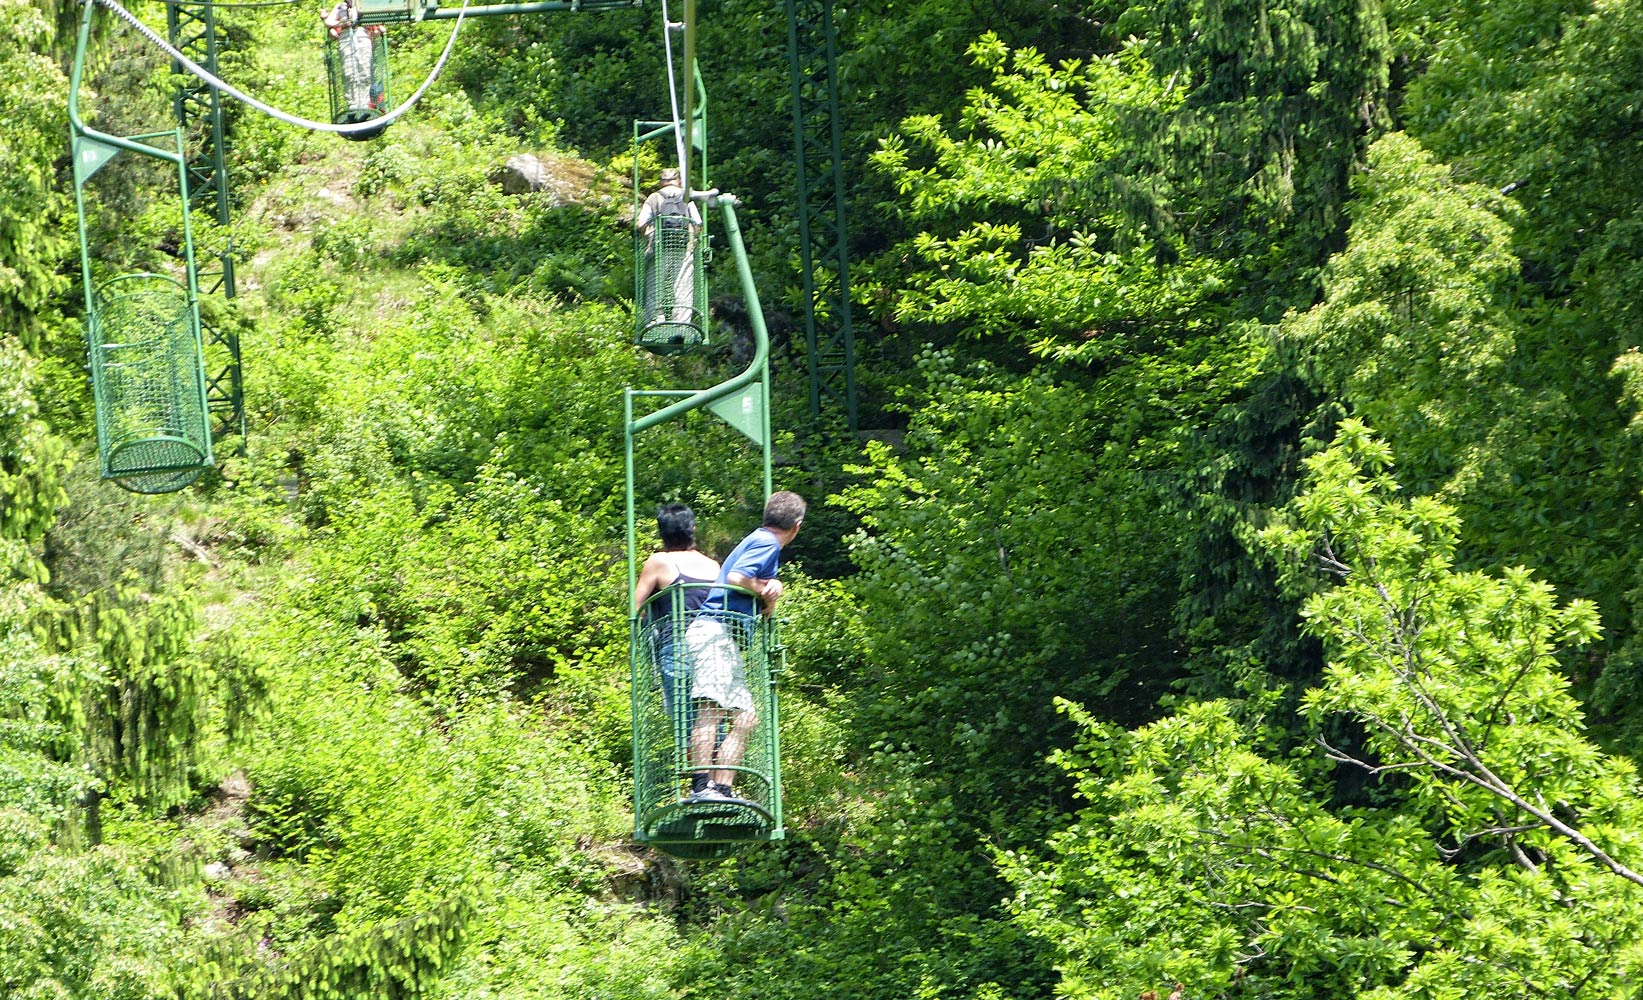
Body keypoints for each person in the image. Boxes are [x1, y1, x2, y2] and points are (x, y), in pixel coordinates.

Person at [684, 491, 805, 801]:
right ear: (797, 526)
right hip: (714, 630)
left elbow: (762, 605)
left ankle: (722, 788)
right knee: (710, 709)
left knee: (745, 717)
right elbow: (738, 577)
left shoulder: (761, 541)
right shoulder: (766, 542)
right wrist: (766, 587)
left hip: (728, 637)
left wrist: (769, 596)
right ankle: (701, 788)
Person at [632, 504, 721, 723]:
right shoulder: (713, 566)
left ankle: (693, 757)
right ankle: (717, 758)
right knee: (711, 720)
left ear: (662, 532)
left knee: (685, 724)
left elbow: (635, 607)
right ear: (693, 528)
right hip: (712, 648)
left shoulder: (659, 561)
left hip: (677, 646)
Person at [633, 167, 702, 328]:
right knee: (682, 286)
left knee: (655, 284)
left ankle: (655, 321)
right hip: (683, 248)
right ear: (678, 181)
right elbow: (698, 224)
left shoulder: (654, 197)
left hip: (658, 248)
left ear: (661, 182)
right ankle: (682, 323)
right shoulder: (686, 198)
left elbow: (640, 224)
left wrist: (647, 235)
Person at [322, 0, 374, 114]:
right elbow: (329, 21)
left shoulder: (364, 4)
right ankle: (353, 103)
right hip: (346, 37)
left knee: (364, 70)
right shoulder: (341, 6)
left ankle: (364, 102)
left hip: (362, 35)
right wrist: (342, 24)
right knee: (349, 71)